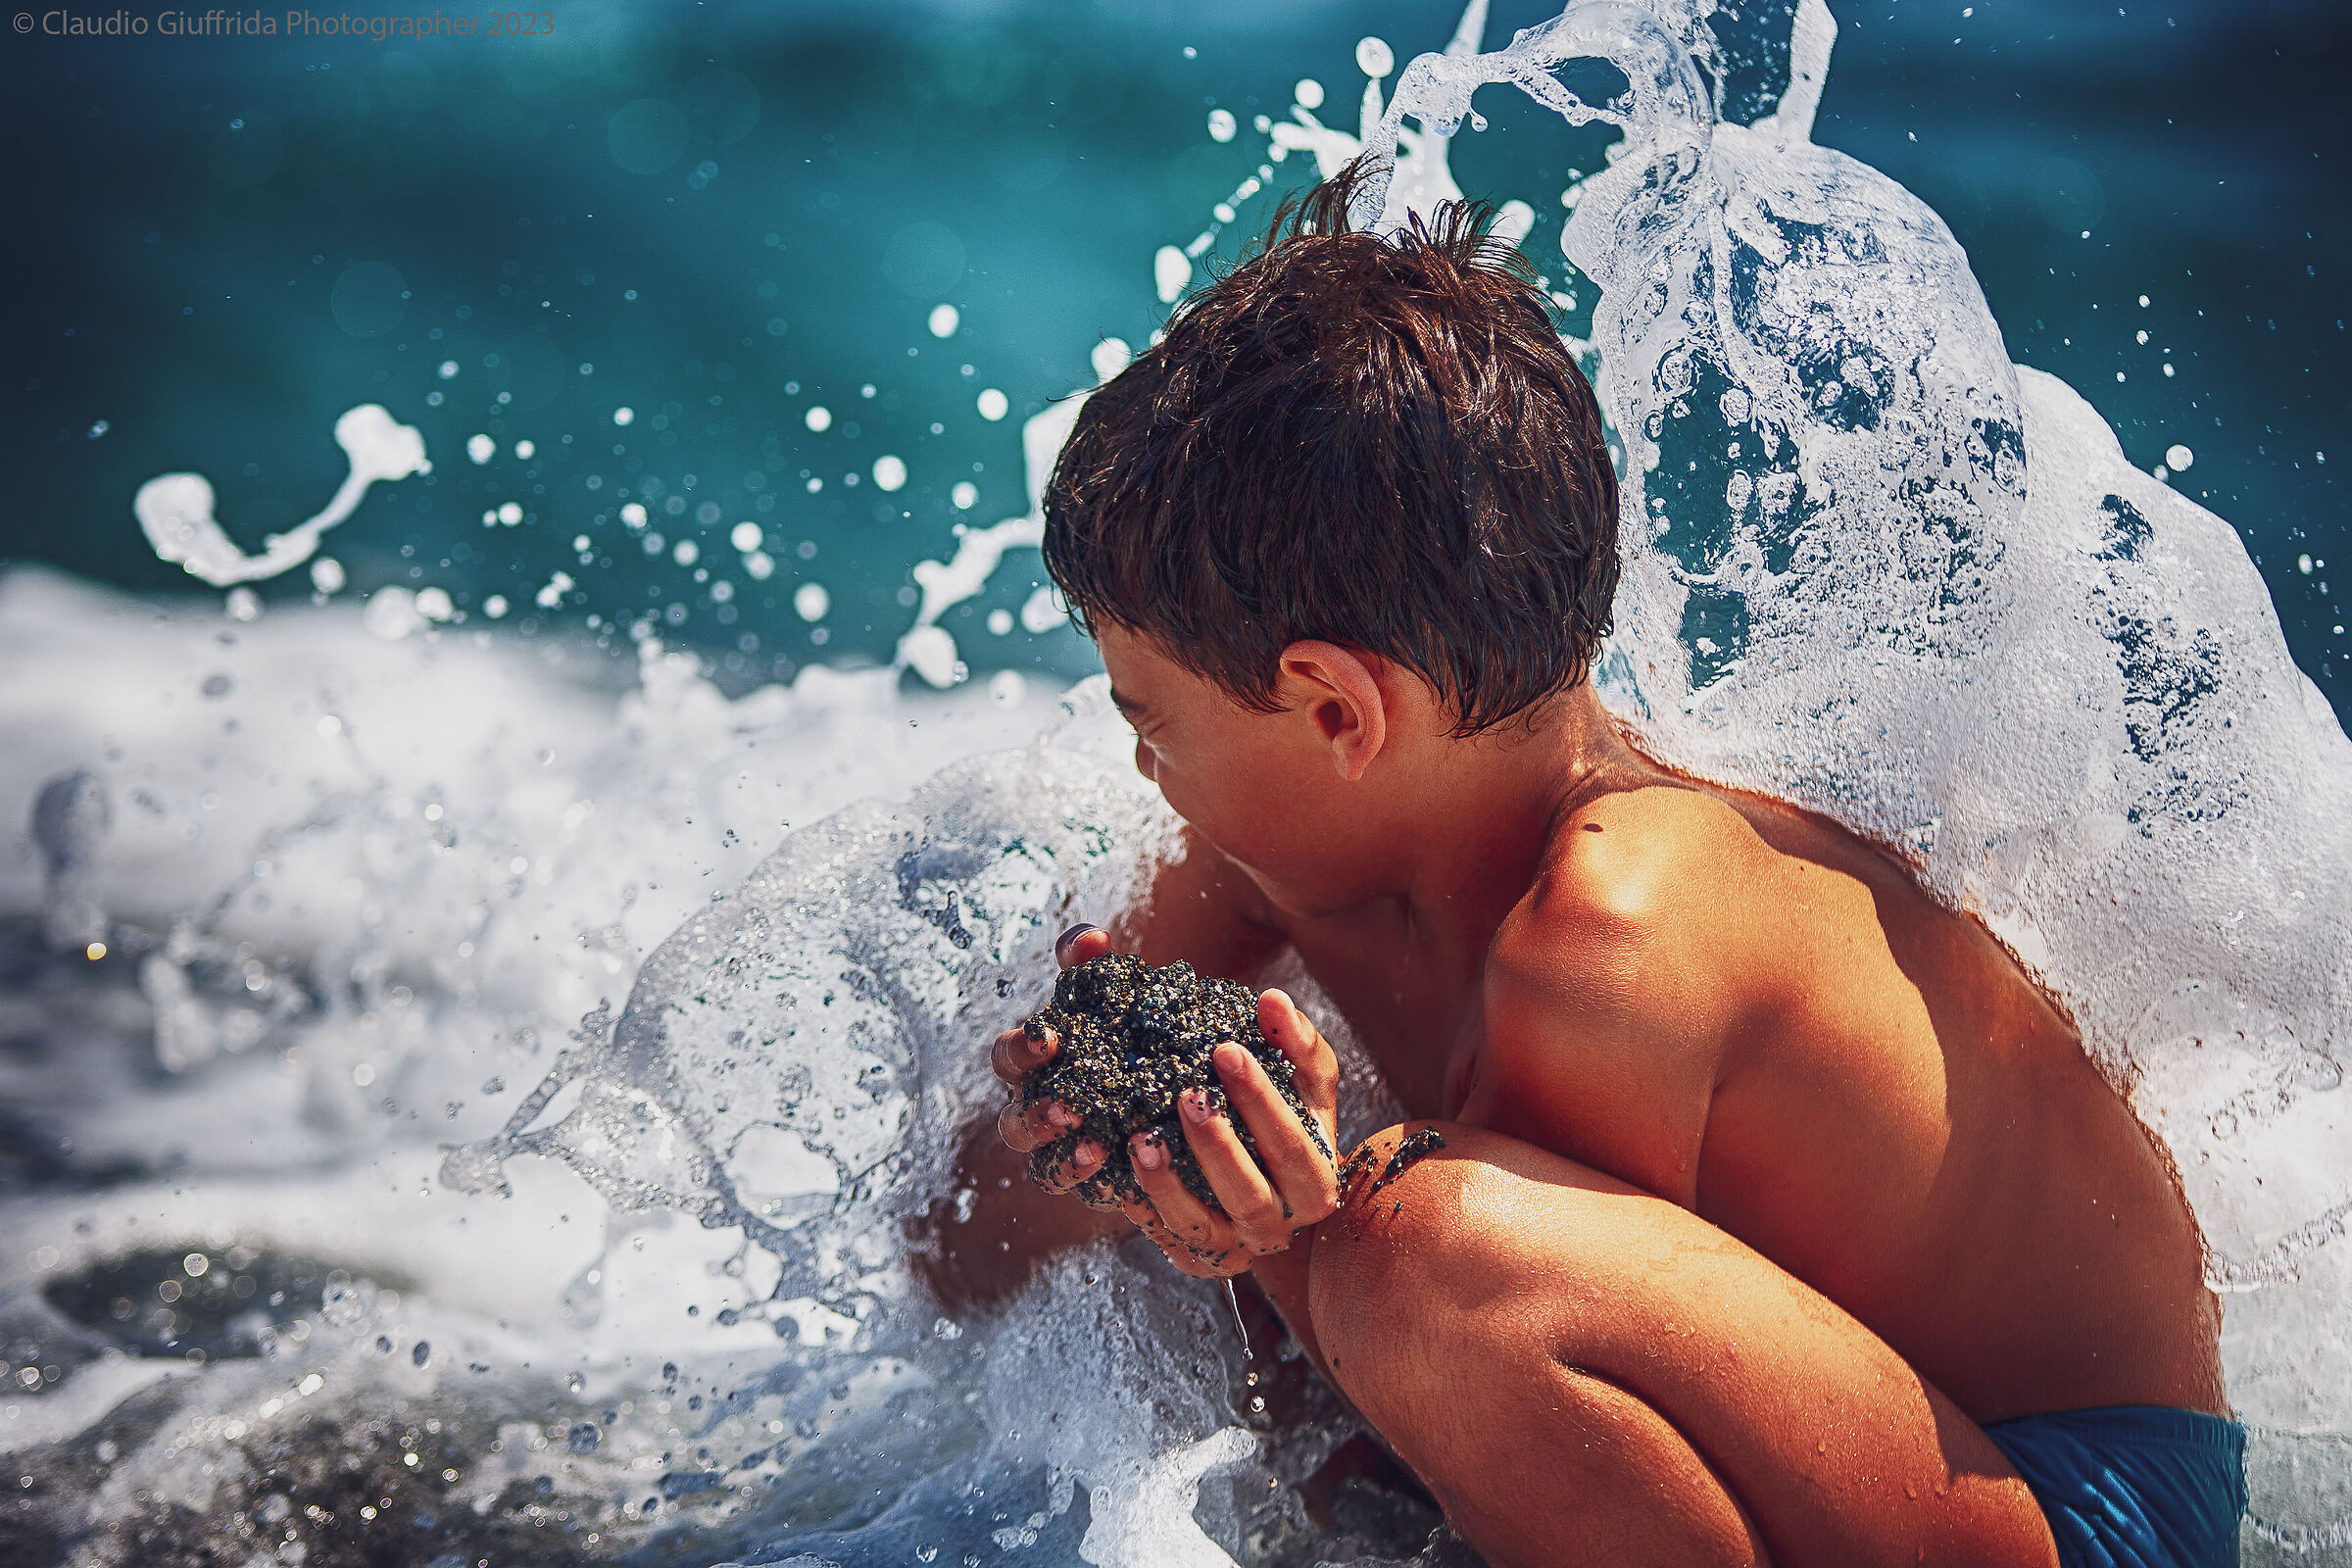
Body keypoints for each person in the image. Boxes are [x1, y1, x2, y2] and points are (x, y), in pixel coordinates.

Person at [962, 167, 2245, 1568]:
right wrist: (1092, 1134)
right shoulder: (1277, 860)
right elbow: (959, 1253)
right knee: (1289, 1287)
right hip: (1845, 1457)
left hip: (2061, 1503)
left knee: (1404, 1240)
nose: (1144, 770)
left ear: (1335, 712)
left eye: (1151, 724)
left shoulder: (1615, 936)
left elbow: (1429, 1340)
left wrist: (1266, 1222)